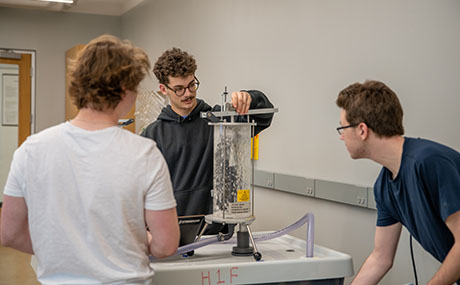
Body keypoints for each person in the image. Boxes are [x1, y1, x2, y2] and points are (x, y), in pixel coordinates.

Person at [0, 35, 180, 284]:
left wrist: (62, 251)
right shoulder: (144, 154)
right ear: (125, 90)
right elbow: (165, 245)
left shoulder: (31, 150)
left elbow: (9, 234)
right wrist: (130, 241)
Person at [336, 80, 460, 285]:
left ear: (362, 130)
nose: (341, 137)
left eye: (343, 128)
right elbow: (380, 259)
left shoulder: (429, 163)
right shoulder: (384, 186)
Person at [141, 47, 274, 235]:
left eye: (192, 85)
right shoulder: (153, 135)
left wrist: (250, 97)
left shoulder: (220, 122)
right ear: (164, 89)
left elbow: (265, 116)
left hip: (217, 234)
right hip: (172, 237)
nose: (188, 93)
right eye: (179, 89)